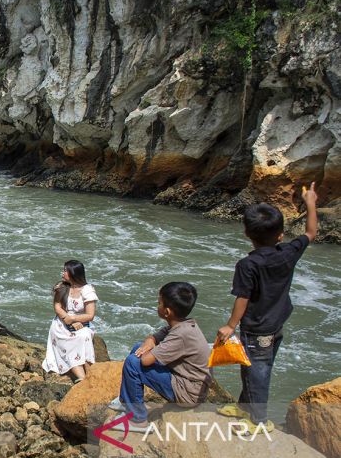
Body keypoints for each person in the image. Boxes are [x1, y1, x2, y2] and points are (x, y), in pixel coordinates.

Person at [216, 182, 318, 434]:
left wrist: (231, 325)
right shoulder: (288, 251)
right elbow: (311, 233)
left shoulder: (247, 265)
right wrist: (311, 203)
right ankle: (244, 407)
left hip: (257, 327)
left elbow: (243, 297)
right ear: (281, 234)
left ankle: (259, 421)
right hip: (276, 323)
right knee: (252, 367)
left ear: (246, 233)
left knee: (257, 371)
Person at [108, 282, 212, 433]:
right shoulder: (182, 324)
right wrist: (150, 341)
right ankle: (126, 401)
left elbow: (145, 361)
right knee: (139, 346)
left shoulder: (180, 335)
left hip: (188, 393)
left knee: (133, 362)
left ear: (167, 312)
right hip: (185, 381)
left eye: (159, 303)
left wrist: (149, 346)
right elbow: (154, 337)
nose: (157, 306)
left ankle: (138, 420)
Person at [42, 260, 97, 383]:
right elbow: (57, 307)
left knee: (84, 336)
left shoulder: (87, 290)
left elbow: (90, 315)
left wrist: (74, 319)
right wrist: (69, 320)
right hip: (62, 322)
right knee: (68, 341)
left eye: (65, 271)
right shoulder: (61, 287)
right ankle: (82, 378)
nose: (63, 273)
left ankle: (90, 374)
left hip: (81, 322)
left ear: (73, 273)